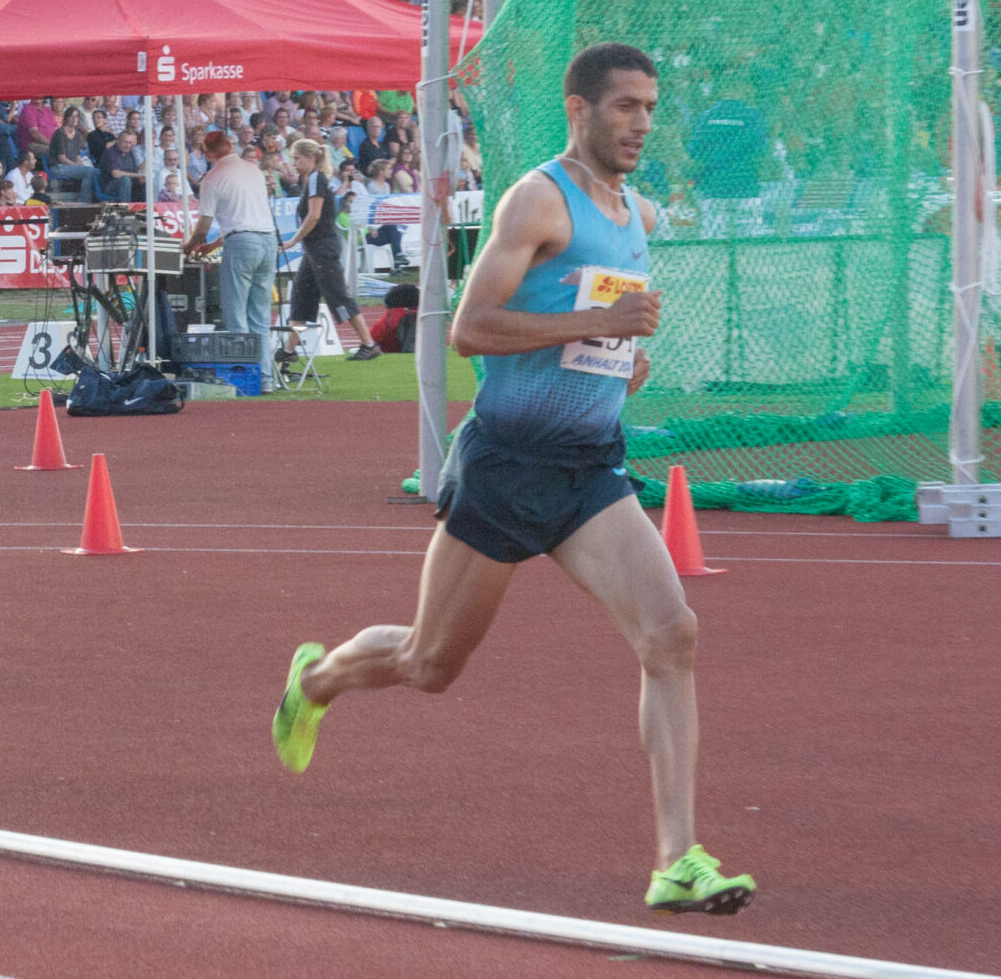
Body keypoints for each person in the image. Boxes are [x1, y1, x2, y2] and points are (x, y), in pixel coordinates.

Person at [272, 44, 757, 918]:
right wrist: (600, 319)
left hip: (588, 471)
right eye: (626, 108)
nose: (643, 122)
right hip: (507, 465)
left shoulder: (633, 210)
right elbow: (471, 328)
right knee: (430, 663)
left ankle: (676, 859)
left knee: (672, 633)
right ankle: (316, 680)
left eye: (651, 107)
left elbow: (588, 333)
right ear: (580, 109)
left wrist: (618, 359)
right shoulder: (538, 197)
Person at [283, 137, 382, 361]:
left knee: (338, 296)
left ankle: (369, 343)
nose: (294, 164)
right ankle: (289, 350)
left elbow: (314, 215)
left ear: (310, 158)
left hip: (322, 247)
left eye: (297, 159)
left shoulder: (316, 179)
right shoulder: (314, 179)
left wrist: (293, 240)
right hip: (315, 249)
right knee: (302, 298)